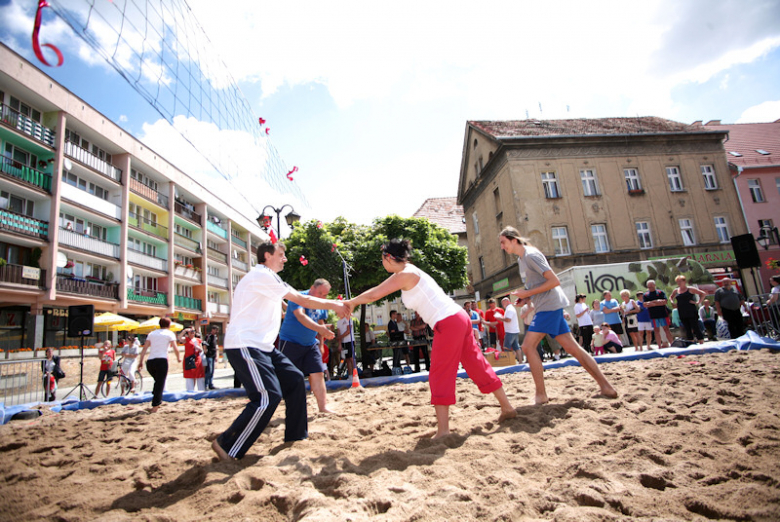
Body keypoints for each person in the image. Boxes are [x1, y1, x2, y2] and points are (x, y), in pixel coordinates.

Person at [346, 239, 517, 439]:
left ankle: (443, 431)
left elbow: (374, 294)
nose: (381, 262)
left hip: (449, 321)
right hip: (457, 317)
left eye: (382, 258)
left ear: (389, 258)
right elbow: (377, 292)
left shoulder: (405, 274)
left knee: (440, 372)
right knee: (476, 364)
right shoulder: (409, 270)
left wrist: (351, 303)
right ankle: (507, 407)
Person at [212, 241, 349, 461]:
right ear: (267, 255)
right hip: (245, 344)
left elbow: (286, 303)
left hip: (263, 346)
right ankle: (226, 444)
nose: (285, 258)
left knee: (295, 379)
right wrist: (335, 305)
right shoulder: (262, 276)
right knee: (267, 397)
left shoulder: (268, 279)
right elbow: (301, 300)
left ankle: (295, 436)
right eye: (281, 254)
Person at [499, 226, 617, 404]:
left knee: (527, 347)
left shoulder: (531, 255)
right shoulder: (522, 259)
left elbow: (554, 281)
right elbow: (537, 284)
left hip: (549, 306)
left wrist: (527, 293)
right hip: (546, 306)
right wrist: (527, 297)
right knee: (573, 349)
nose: (502, 246)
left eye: (503, 242)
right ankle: (606, 386)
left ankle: (541, 394)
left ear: (514, 240)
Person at [279, 279, 336, 413]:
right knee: (288, 377)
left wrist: (321, 343)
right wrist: (321, 329)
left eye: (325, 295)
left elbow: (321, 321)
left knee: (318, 373)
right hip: (290, 342)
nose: (323, 297)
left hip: (311, 344)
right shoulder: (298, 297)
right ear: (312, 288)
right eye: (321, 293)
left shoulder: (321, 304)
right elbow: (301, 316)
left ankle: (323, 407)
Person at [138, 318, 180, 413]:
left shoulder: (152, 334)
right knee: (160, 383)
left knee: (158, 382)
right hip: (161, 360)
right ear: (169, 325)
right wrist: (178, 358)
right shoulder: (169, 333)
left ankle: (156, 397)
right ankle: (155, 406)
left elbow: (144, 348)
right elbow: (175, 348)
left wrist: (140, 362)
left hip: (150, 361)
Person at [670, 275, 707, 344]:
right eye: (677, 282)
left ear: (684, 281)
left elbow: (703, 293)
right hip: (682, 311)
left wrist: (698, 302)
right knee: (687, 328)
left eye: (680, 281)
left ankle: (701, 341)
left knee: (695, 326)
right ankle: (690, 341)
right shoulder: (676, 290)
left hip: (691, 310)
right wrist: (673, 302)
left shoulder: (690, 289)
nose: (679, 283)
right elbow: (671, 297)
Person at [643, 280, 673, 348]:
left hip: (663, 314)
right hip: (653, 315)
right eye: (649, 287)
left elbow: (664, 301)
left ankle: (672, 343)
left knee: (666, 329)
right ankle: (659, 346)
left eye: (651, 286)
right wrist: (657, 302)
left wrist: (652, 303)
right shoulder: (646, 294)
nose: (650, 288)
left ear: (654, 285)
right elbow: (645, 304)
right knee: (656, 330)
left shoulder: (660, 292)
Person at [498, 297, 523, 364]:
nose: (503, 304)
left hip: (510, 331)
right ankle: (520, 361)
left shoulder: (509, 309)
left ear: (507, 302)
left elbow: (508, 319)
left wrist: (500, 318)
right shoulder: (510, 309)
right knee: (516, 347)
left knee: (506, 347)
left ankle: (509, 361)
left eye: (503, 303)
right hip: (514, 330)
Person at [337, 314, 355, 381]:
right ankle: (350, 375)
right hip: (343, 343)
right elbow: (338, 333)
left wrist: (340, 337)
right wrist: (340, 344)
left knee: (351, 358)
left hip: (350, 341)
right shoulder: (338, 322)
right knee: (347, 359)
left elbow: (348, 331)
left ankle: (355, 374)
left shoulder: (349, 320)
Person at [203, 326, 219, 390]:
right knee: (209, 370)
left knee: (212, 371)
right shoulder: (208, 336)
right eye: (216, 330)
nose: (216, 332)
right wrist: (205, 350)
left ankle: (210, 384)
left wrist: (216, 356)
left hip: (213, 355)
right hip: (209, 355)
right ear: (212, 329)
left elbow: (215, 347)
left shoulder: (215, 337)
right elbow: (205, 343)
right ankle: (206, 384)